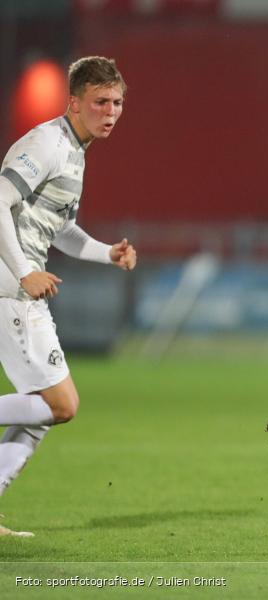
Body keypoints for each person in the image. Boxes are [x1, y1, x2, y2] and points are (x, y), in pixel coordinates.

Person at [0, 56, 136, 537]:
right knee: (63, 404)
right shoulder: (47, 143)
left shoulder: (75, 151)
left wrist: (107, 253)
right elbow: (0, 198)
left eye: (118, 102)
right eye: (101, 102)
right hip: (11, 287)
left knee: (41, 411)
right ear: (74, 103)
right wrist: (23, 273)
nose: (111, 111)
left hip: (18, 285)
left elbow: (58, 228)